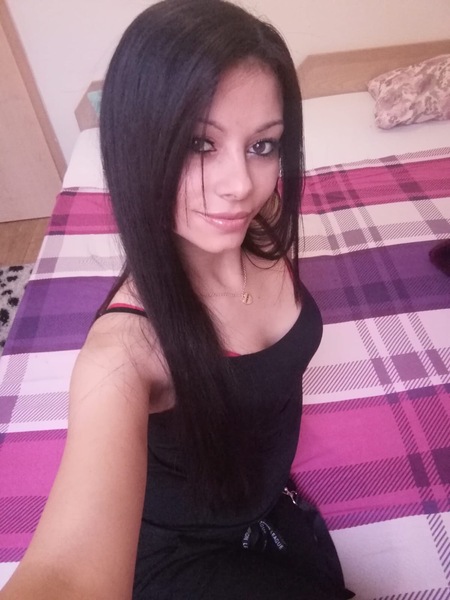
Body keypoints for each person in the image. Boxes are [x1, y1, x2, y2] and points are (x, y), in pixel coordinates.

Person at [2, 1, 354, 598]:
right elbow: (66, 576)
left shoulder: (262, 226)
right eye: (199, 143)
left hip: (263, 504)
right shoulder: (122, 354)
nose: (240, 185)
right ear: (137, 145)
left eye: (262, 145)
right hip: (179, 557)